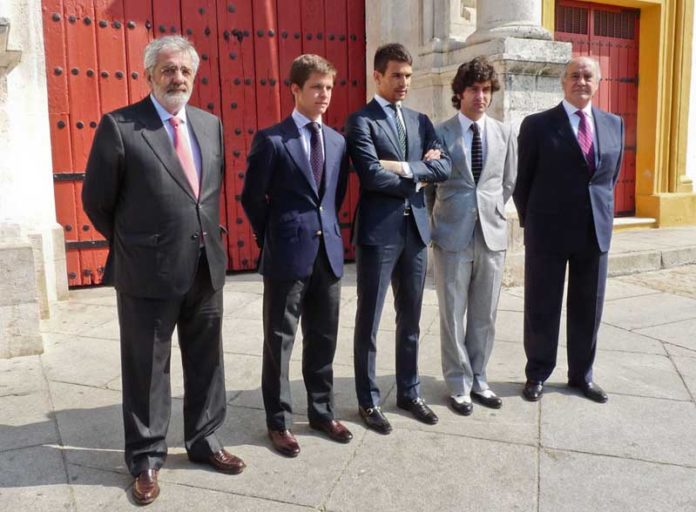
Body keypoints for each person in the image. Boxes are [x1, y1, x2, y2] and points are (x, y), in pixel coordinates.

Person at [82, 36, 244, 506]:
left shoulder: (209, 124)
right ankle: (147, 459)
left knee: (207, 362)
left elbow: (206, 194)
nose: (178, 78)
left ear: (195, 75)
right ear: (149, 74)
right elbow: (97, 201)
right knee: (146, 370)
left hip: (204, 265)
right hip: (147, 272)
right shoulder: (121, 126)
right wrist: (135, 244)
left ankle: (205, 440)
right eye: (168, 70)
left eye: (185, 71)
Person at [242, 54, 351, 457]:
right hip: (287, 254)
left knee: (323, 339)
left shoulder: (337, 142)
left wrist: (327, 231)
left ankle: (322, 412)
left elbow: (334, 197)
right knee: (280, 341)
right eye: (315, 87)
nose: (324, 95)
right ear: (295, 89)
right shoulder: (272, 140)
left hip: (329, 254)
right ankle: (280, 422)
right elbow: (252, 198)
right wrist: (273, 234)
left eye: (328, 87)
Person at [346, 43, 451, 434]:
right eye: (396, 75)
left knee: (411, 318)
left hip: (416, 231)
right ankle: (368, 400)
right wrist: (420, 173)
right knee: (369, 320)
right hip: (379, 234)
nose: (404, 83)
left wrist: (406, 167)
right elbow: (371, 176)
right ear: (378, 76)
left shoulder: (421, 120)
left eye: (408, 75)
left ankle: (409, 391)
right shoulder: (361, 122)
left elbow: (445, 167)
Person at [513, 56, 624, 404]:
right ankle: (538, 373)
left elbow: (608, 179)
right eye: (574, 75)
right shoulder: (537, 125)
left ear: (599, 82)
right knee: (542, 306)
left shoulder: (613, 124)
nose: (581, 81)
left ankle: (581, 375)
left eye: (588, 75)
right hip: (548, 231)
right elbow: (522, 183)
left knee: (588, 308)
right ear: (562, 82)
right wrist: (532, 221)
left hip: (594, 231)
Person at [426, 57, 516, 416]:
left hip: (491, 234)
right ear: (459, 93)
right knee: (452, 313)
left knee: (485, 313)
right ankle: (458, 383)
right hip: (451, 234)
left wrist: (488, 210)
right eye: (474, 89)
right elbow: (430, 187)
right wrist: (443, 218)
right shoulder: (440, 132)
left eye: (486, 90)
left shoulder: (506, 133)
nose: (481, 96)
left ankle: (479, 376)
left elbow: (507, 182)